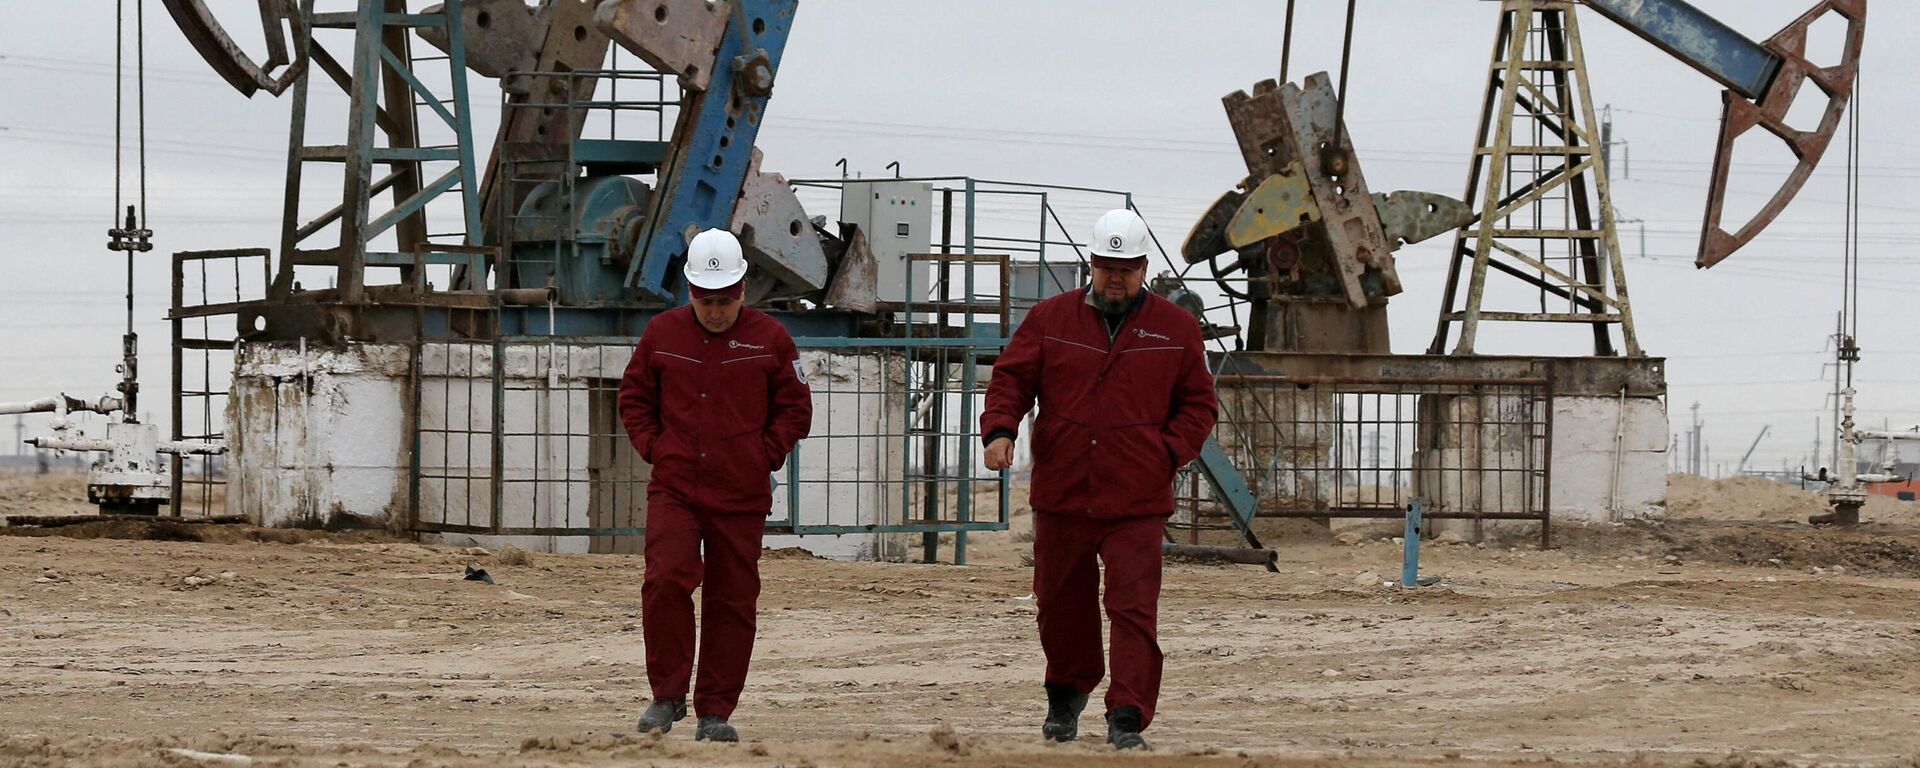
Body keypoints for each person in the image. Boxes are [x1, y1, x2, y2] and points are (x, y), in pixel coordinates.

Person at [980, 208, 1219, 750]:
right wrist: (999, 430)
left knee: (1133, 608)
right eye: (1107, 265)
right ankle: (1065, 695)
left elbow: (1199, 406)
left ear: (1144, 267)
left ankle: (1128, 714)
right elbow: (1011, 379)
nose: (1116, 277)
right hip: (1064, 491)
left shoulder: (1176, 329)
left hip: (1137, 497)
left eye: (1128, 267)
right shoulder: (1050, 320)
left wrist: (1166, 452)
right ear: (1092, 263)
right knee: (1060, 603)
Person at [617, 228, 813, 742]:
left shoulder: (772, 340)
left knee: (732, 599)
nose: (716, 310)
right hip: (676, 487)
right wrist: (656, 448)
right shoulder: (661, 335)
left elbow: (795, 409)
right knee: (664, 580)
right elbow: (634, 398)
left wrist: (762, 456)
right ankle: (667, 696)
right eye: (706, 301)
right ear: (689, 291)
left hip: (740, 493)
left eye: (725, 300)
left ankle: (715, 711)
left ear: (743, 288)